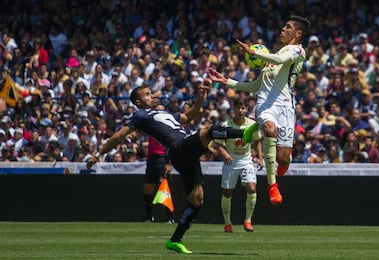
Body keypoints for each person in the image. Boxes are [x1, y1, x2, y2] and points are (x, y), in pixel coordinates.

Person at [86, 83, 258, 254]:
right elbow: (118, 137)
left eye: (151, 92)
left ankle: (175, 240)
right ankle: (243, 133)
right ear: (138, 102)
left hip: (186, 156)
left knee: (197, 201)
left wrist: (200, 100)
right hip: (178, 148)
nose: (152, 96)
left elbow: (188, 118)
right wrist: (98, 154)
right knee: (210, 130)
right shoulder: (139, 115)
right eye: (147, 94)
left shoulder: (163, 113)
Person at [209, 15, 310, 205]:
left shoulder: (297, 51)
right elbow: (256, 87)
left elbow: (280, 59)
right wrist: (226, 81)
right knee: (270, 130)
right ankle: (272, 186)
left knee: (283, 160)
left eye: (287, 27)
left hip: (286, 107)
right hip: (265, 105)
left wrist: (254, 53)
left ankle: (281, 164)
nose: (282, 29)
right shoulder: (270, 61)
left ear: (297, 33)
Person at [212, 97, 263, 233]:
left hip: (246, 160)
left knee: (252, 188)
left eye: (243, 108)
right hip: (231, 161)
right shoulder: (225, 125)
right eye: (238, 108)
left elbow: (257, 141)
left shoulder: (252, 124)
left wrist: (260, 158)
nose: (240, 110)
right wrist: (225, 153)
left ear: (246, 109)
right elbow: (218, 144)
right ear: (233, 109)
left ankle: (248, 221)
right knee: (228, 192)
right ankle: (227, 223)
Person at [143, 103, 174, 224]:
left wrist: (169, 162)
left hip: (163, 158)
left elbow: (172, 146)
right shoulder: (150, 125)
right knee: (147, 189)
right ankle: (149, 217)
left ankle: (168, 218)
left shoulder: (168, 127)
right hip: (152, 159)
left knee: (165, 189)